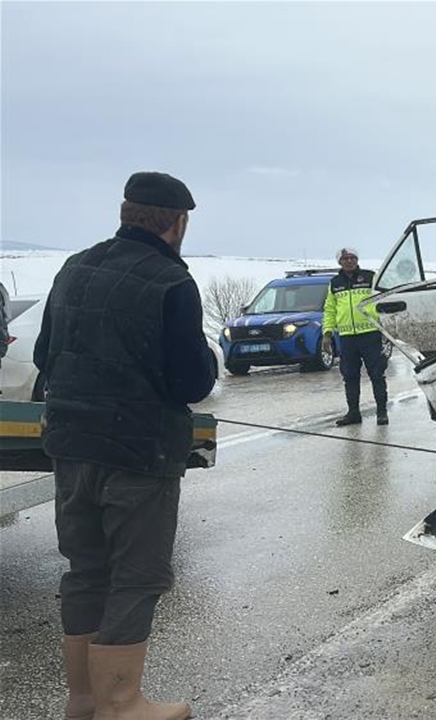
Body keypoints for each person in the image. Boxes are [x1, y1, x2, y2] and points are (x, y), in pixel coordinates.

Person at [34, 171, 215, 719]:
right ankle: (121, 703)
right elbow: (191, 383)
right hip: (138, 455)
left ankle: (83, 699)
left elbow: (45, 355)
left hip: (70, 447)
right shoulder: (170, 282)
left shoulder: (74, 268)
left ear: (125, 212)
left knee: (86, 569)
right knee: (137, 576)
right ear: (177, 224)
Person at [322, 247, 387, 426]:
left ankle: (381, 412)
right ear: (340, 262)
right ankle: (353, 413)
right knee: (349, 376)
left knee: (377, 374)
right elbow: (329, 309)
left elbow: (383, 300)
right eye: (345, 258)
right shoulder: (334, 283)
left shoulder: (369, 277)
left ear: (357, 260)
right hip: (347, 337)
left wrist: (386, 327)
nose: (349, 261)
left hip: (370, 334)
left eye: (352, 258)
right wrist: (327, 334)